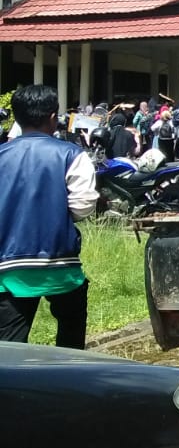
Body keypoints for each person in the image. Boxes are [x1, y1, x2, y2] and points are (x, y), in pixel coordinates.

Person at [0, 85, 99, 348]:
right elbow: (84, 205)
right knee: (71, 331)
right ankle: (66, 380)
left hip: (8, 269)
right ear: (53, 116)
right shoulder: (72, 155)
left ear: (16, 117)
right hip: (59, 263)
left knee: (8, 345)